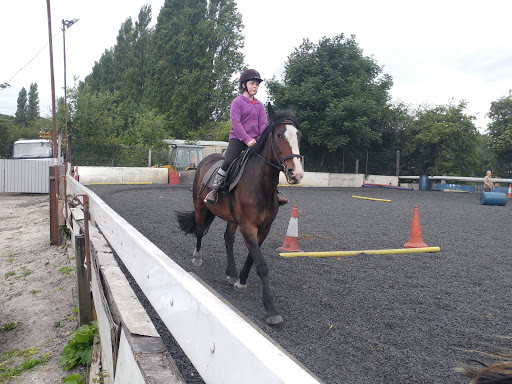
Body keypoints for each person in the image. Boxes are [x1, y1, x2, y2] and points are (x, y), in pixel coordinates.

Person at [204, 69, 288, 206]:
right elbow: (236, 123)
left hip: (256, 141)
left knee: (270, 162)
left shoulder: (260, 105)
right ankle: (214, 190)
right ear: (244, 85)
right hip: (238, 139)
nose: (255, 86)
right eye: (252, 83)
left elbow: (263, 124)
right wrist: (247, 139)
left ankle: (275, 192)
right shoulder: (237, 102)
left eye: (257, 84)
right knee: (229, 160)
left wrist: (262, 139)